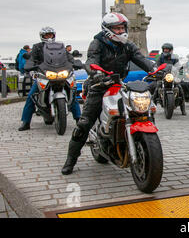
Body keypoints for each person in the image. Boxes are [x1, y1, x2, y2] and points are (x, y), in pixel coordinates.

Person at [61, 12, 156, 175]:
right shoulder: (97, 43)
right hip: (99, 84)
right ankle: (70, 160)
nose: (120, 31)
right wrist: (95, 72)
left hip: (120, 84)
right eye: (117, 29)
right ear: (107, 30)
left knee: (142, 110)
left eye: (122, 28)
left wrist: (154, 70)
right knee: (84, 124)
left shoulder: (127, 45)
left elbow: (140, 58)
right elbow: (91, 61)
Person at [18, 27, 81, 131]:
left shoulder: (59, 47)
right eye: (46, 35)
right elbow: (32, 58)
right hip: (44, 74)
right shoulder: (37, 47)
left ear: (54, 35)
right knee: (31, 96)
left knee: (72, 92)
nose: (49, 37)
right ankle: (26, 122)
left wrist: (75, 63)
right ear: (42, 36)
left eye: (50, 35)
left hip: (60, 73)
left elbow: (68, 57)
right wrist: (29, 65)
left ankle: (79, 119)